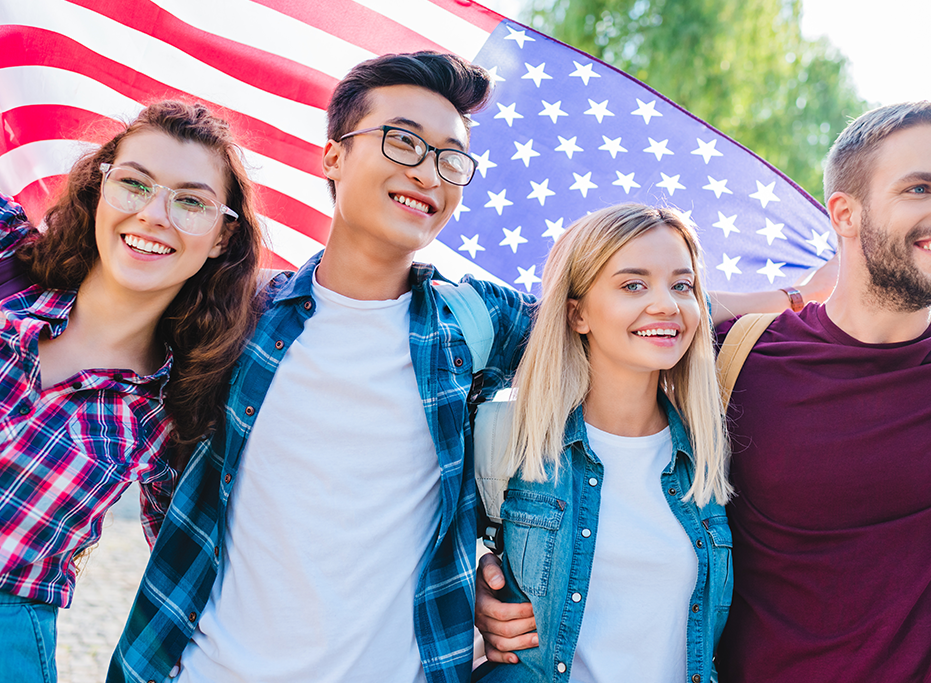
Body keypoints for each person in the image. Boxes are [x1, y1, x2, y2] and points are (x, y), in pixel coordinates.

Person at [109, 52, 833, 683]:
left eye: (450, 156)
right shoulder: (238, 319)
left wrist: (813, 288)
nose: (428, 171)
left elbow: (619, 303)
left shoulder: (469, 323)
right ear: (333, 155)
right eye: (403, 142)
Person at [478, 101, 931, 682]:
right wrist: (493, 574)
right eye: (920, 188)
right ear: (844, 213)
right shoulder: (731, 356)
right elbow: (624, 325)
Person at [0, 100, 263, 683]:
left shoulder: (172, 415)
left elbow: (213, 577)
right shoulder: (6, 267)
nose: (154, 215)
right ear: (99, 189)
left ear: (222, 237)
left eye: (191, 201)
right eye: (134, 184)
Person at [472, 204, 733, 683]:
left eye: (682, 285)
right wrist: (474, 587)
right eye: (634, 285)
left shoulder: (712, 457)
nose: (667, 305)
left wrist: (800, 294)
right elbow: (419, 551)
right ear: (577, 314)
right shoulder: (510, 438)